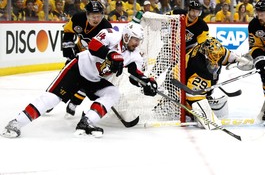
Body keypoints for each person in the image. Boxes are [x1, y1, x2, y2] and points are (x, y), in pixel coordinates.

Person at [1, 24, 158, 138]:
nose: (136, 43)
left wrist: (145, 83)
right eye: (134, 39)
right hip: (78, 69)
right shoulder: (111, 34)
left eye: (139, 40)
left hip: (95, 80)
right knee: (52, 99)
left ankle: (87, 121)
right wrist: (110, 54)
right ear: (126, 36)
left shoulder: (135, 55)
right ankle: (16, 122)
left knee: (113, 93)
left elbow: (134, 73)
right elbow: (93, 45)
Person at [60, 0, 112, 115]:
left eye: (99, 16)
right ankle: (53, 98)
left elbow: (107, 48)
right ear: (87, 14)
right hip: (78, 53)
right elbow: (68, 32)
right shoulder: (78, 18)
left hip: (93, 59)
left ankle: (74, 103)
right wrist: (68, 49)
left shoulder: (106, 27)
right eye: (93, 16)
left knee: (86, 83)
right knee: (66, 78)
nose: (96, 19)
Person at [185, 37, 249, 128]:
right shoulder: (198, 65)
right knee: (190, 105)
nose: (217, 58)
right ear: (205, 53)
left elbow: (226, 55)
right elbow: (193, 95)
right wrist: (206, 116)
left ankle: (205, 95)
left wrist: (238, 59)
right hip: (181, 83)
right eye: (215, 56)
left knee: (209, 77)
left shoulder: (213, 50)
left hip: (192, 76)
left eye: (218, 55)